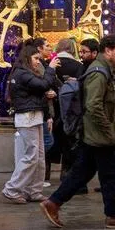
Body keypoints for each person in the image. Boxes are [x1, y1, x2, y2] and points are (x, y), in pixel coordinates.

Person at [40, 35, 115, 230]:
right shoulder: (99, 72)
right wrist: (108, 131)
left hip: (94, 133)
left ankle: (53, 203)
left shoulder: (104, 69)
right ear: (107, 51)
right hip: (99, 134)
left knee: (82, 172)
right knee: (110, 174)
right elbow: (93, 106)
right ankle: (113, 215)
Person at [3, 45, 58, 204]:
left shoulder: (25, 73)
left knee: (39, 156)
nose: (38, 62)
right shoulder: (22, 73)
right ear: (27, 58)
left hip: (35, 116)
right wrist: (51, 69)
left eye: (39, 59)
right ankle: (12, 189)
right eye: (36, 58)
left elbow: (39, 92)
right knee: (31, 156)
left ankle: (34, 191)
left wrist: (47, 112)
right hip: (27, 118)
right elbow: (43, 85)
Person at [46, 38, 84, 179]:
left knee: (50, 138)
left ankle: (46, 171)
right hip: (70, 107)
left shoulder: (50, 64)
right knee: (69, 139)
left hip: (52, 106)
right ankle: (66, 171)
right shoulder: (78, 66)